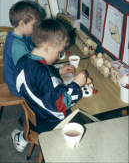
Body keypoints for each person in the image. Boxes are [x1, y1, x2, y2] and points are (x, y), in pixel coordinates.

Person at [11, 19, 87, 152]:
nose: (58, 56)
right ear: (47, 47)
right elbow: (60, 104)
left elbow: (33, 80)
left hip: (35, 116)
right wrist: (76, 84)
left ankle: (23, 137)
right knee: (89, 118)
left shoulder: (23, 61)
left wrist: (56, 72)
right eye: (59, 52)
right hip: (52, 122)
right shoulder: (43, 74)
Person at [3, 1, 41, 125]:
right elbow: (29, 74)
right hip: (17, 86)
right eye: (33, 25)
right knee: (44, 92)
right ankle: (26, 118)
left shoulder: (16, 34)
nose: (35, 28)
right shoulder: (18, 47)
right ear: (22, 23)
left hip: (12, 78)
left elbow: (30, 41)